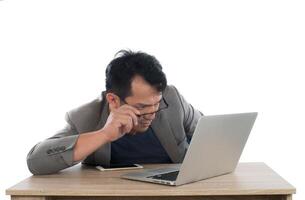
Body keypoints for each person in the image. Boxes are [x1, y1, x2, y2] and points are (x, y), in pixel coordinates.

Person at [26, 50, 203, 175]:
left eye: (156, 103)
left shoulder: (172, 99)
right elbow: (36, 161)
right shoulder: (86, 116)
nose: (152, 113)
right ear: (113, 99)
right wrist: (103, 134)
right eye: (141, 107)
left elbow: (210, 133)